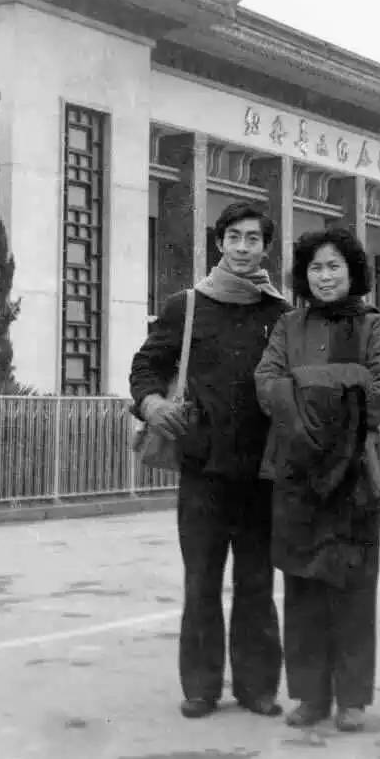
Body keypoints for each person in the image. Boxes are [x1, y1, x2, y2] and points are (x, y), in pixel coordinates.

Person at [129, 201, 290, 720]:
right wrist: (152, 404)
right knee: (201, 582)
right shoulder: (187, 305)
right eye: (234, 237)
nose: (243, 248)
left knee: (257, 583)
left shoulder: (281, 314)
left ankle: (257, 688)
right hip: (203, 470)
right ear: (219, 243)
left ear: (266, 248)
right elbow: (146, 366)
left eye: (253, 239)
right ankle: (200, 688)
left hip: (262, 473)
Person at [254, 228, 380, 733]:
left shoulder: (375, 327)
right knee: (302, 586)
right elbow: (267, 384)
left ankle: (352, 699)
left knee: (354, 587)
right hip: (296, 470)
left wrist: (306, 390)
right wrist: (340, 387)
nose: (325, 276)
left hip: (357, 473)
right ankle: (311, 696)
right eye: (315, 267)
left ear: (352, 270)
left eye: (334, 265)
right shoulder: (288, 326)